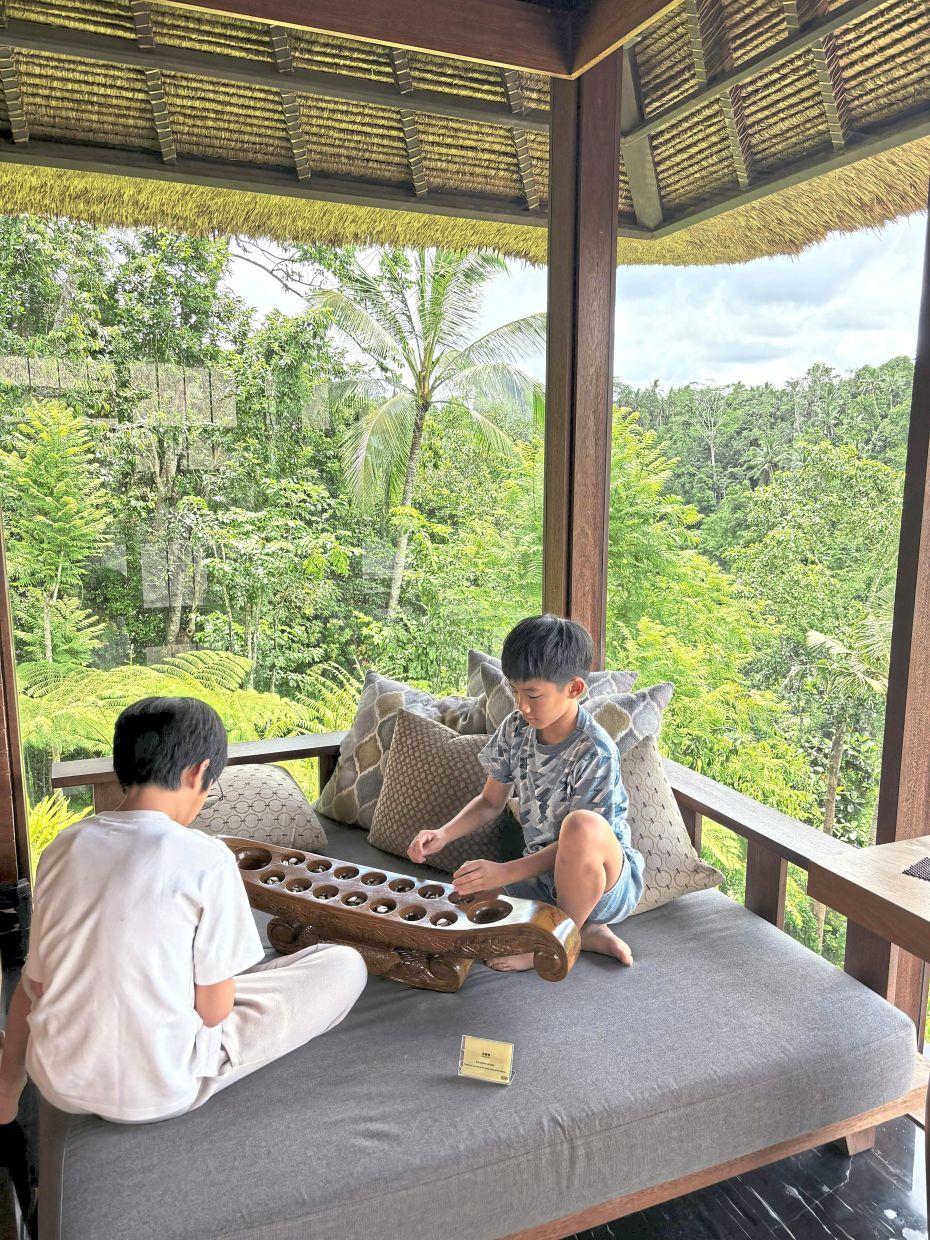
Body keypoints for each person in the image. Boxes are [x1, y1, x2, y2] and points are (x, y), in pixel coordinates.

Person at [0, 696, 366, 1126]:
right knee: (344, 965)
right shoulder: (207, 857)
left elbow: (35, 985)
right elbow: (213, 1013)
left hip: (58, 1079)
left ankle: (7, 1085)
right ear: (198, 773)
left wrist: (10, 1078)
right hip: (162, 1087)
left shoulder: (64, 847)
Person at [409, 615, 644, 970]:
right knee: (460, 902)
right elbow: (490, 802)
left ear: (574, 688)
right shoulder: (517, 729)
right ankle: (587, 931)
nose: (522, 705)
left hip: (604, 884)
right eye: (515, 691)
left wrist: (505, 872)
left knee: (582, 825)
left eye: (533, 694)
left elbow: (588, 843)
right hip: (540, 882)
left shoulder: (594, 750)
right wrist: (443, 834)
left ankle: (554, 943)